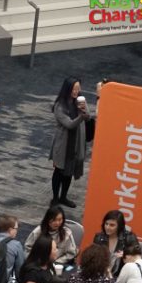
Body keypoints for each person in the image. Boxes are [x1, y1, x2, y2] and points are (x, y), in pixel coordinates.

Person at [48, 77, 90, 208]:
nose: (77, 91)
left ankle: (63, 196)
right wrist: (81, 117)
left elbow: (88, 117)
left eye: (78, 88)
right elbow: (69, 124)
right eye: (74, 88)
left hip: (76, 142)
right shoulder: (60, 105)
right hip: (63, 144)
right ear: (68, 89)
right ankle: (55, 198)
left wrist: (84, 110)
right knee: (59, 171)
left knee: (69, 171)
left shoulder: (80, 100)